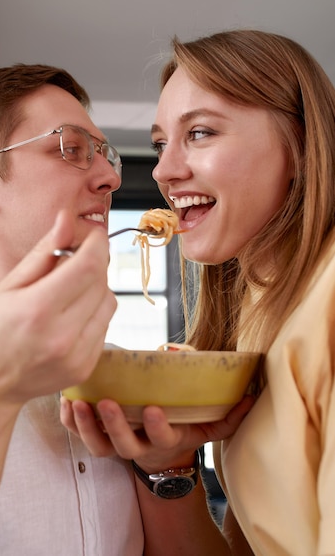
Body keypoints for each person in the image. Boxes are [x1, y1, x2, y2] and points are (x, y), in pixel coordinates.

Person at [0, 63, 251, 556]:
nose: (111, 177)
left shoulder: (122, 373)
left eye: (104, 153)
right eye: (70, 149)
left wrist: (168, 465)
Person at [61, 29, 335, 555]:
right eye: (162, 143)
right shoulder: (258, 304)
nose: (163, 170)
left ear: (300, 147)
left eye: (202, 133)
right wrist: (166, 467)